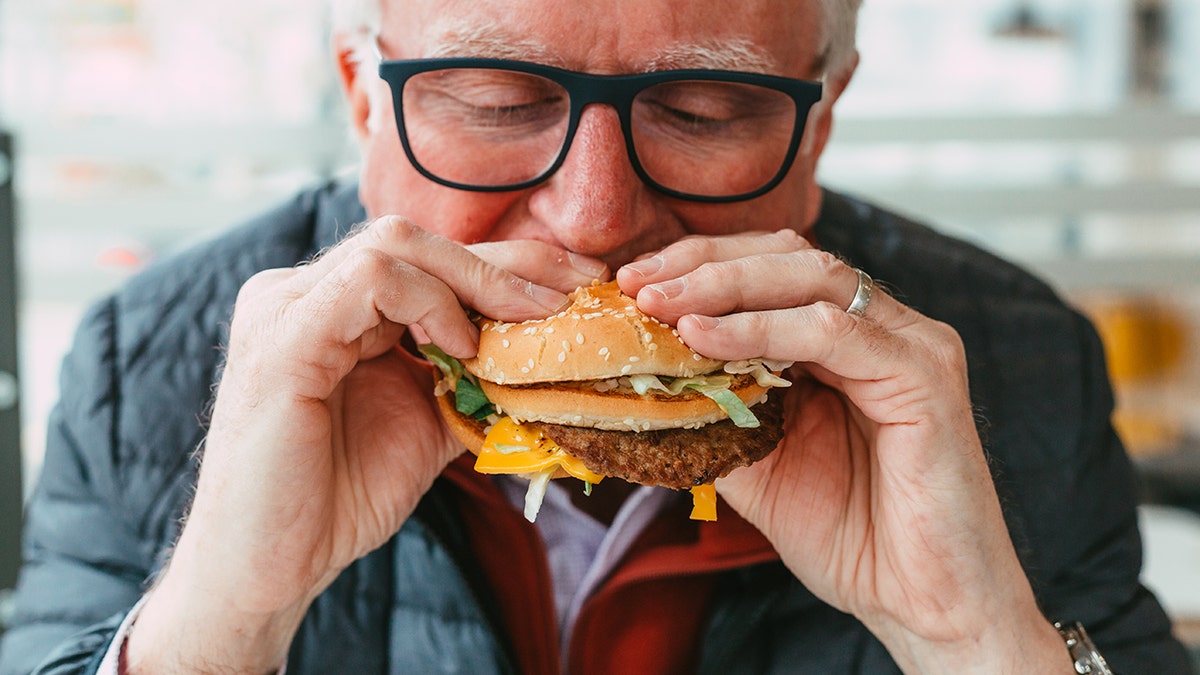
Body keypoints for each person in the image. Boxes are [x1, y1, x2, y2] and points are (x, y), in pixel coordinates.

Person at [0, 0, 1193, 672]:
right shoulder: (148, 357)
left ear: (820, 127)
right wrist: (223, 626)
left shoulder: (1005, 361)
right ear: (365, 99)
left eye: (705, 111)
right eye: (495, 105)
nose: (595, 215)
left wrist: (979, 645)